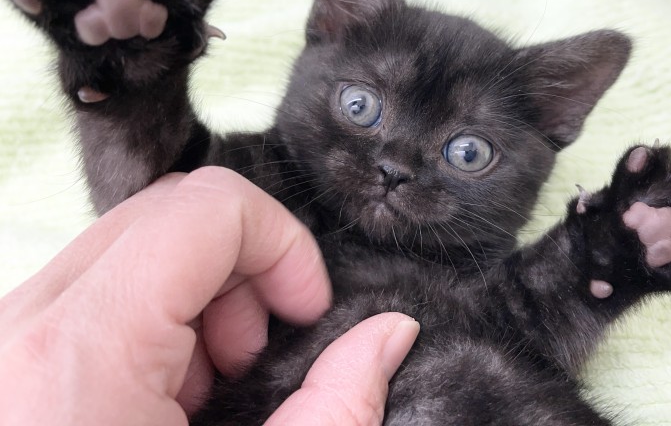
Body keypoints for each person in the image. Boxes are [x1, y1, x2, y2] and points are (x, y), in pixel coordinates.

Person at [0, 167, 419, 425]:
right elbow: (141, 189)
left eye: (468, 153)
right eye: (360, 107)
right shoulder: (271, 168)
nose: (394, 166)